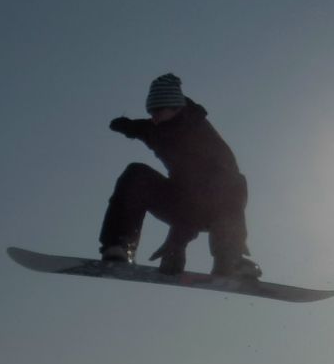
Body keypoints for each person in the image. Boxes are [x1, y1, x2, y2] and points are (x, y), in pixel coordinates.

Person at [99, 73, 261, 278]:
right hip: (180, 199)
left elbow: (199, 196)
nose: (154, 117)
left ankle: (230, 258)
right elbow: (143, 128)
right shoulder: (156, 127)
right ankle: (119, 246)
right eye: (151, 111)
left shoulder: (199, 138)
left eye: (158, 111)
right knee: (136, 173)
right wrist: (127, 126)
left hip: (216, 205)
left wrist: (177, 244)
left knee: (233, 183)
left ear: (177, 108)